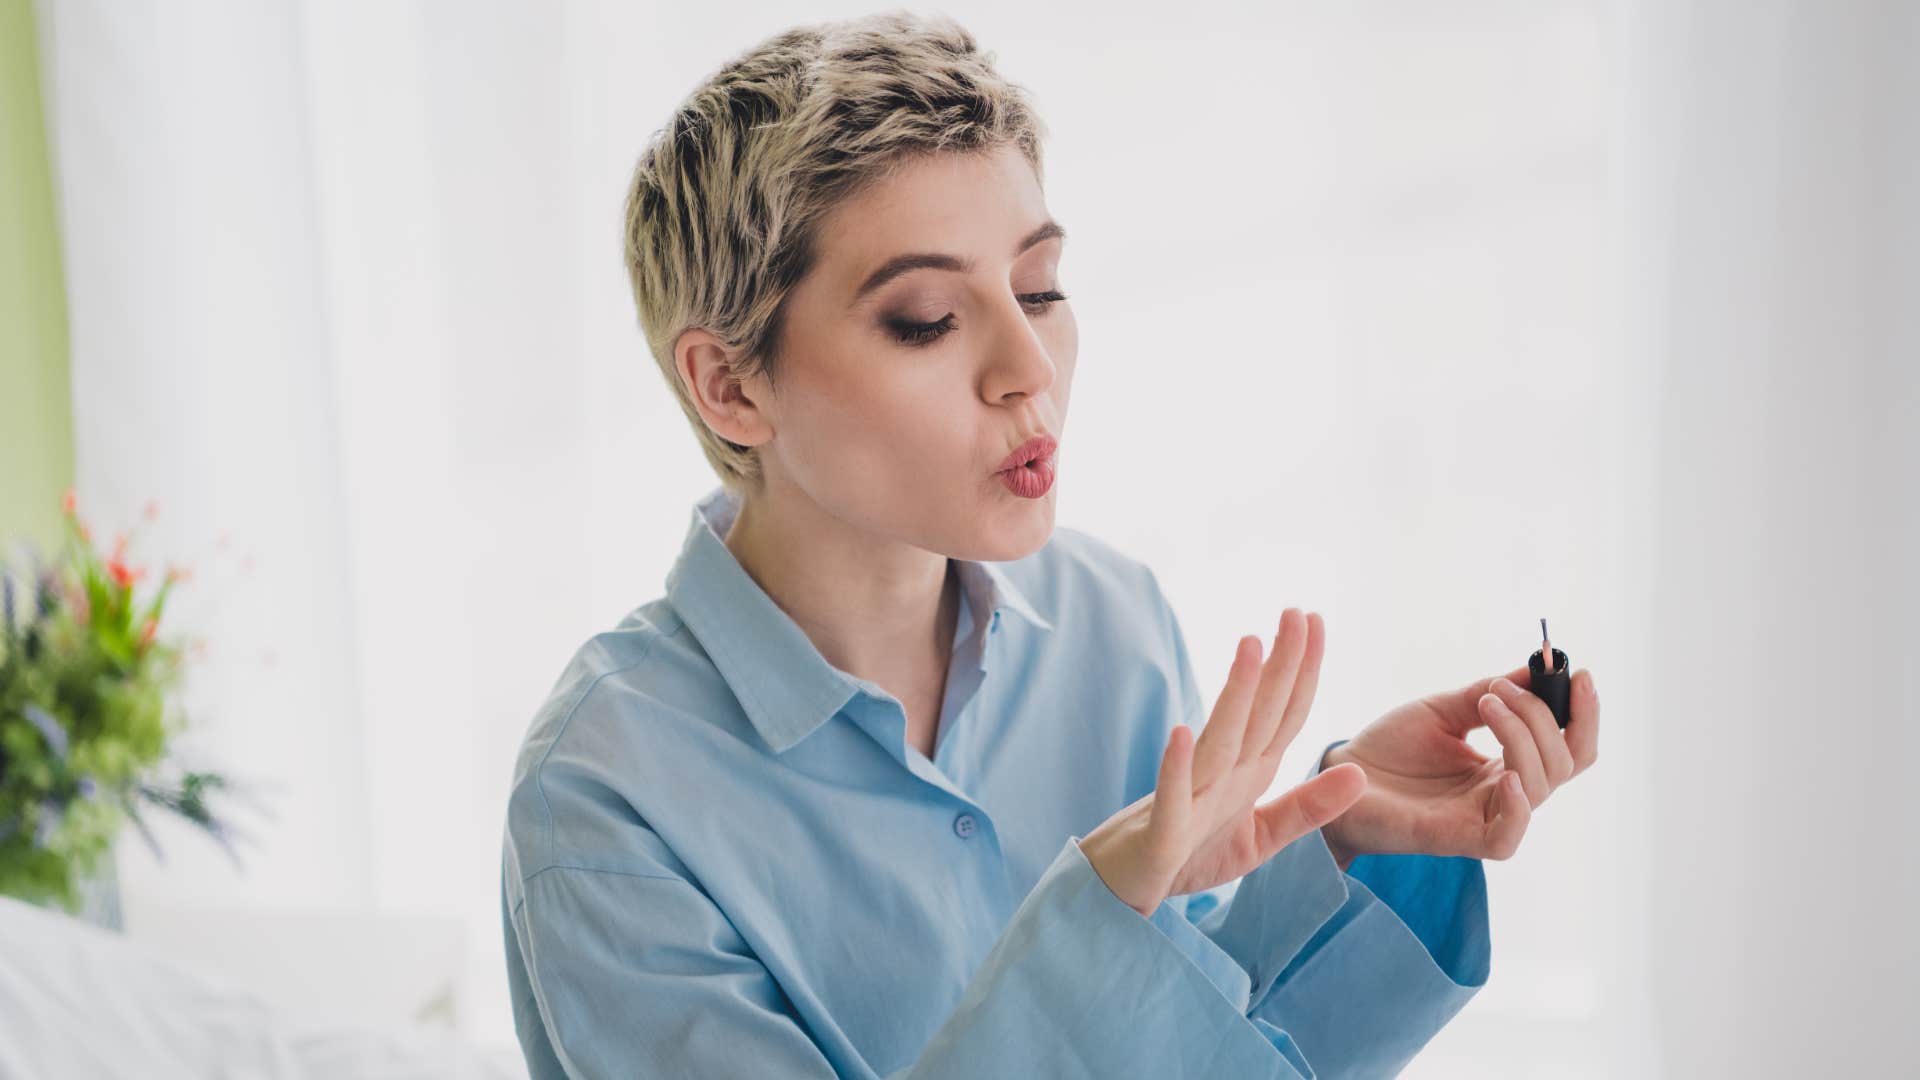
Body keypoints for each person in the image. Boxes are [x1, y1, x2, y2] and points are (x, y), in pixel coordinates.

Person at [500, 11, 1601, 1079]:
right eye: (928, 317)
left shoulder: (1109, 622)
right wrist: (1096, 922)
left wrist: (1349, 836)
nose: (1028, 366)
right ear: (731, 385)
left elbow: (1207, 1041)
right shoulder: (603, 796)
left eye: (1039, 287)